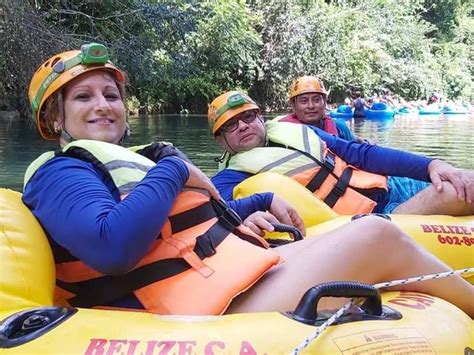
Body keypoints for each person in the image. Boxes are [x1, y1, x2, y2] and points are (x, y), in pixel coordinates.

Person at [22, 43, 474, 318]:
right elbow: (111, 246)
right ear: (55, 117)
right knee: (376, 235)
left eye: (111, 94)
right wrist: (175, 165)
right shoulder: (62, 171)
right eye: (83, 96)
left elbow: (182, 228)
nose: (103, 104)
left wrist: (251, 204)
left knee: (365, 231)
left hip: (230, 274)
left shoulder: (133, 162)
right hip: (198, 305)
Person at [209, 91, 474, 217]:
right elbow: (211, 212)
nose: (243, 125)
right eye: (231, 125)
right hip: (373, 218)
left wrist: (431, 165)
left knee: (466, 179)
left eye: (248, 116)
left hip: (391, 185)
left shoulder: (299, 132)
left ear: (260, 118)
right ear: (221, 141)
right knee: (454, 192)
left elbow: (360, 154)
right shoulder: (232, 178)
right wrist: (248, 214)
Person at [276, 76, 356, 141]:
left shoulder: (340, 127)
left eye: (316, 100)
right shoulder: (282, 131)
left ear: (324, 102)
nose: (311, 106)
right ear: (293, 105)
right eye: (304, 101)